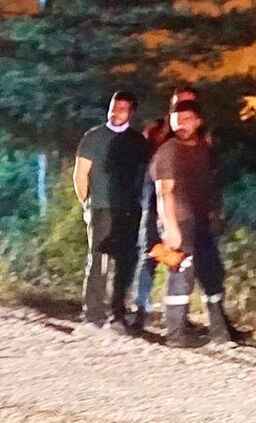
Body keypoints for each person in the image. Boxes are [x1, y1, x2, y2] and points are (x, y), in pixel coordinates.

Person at [151, 100, 233, 347]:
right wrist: (170, 227)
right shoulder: (168, 151)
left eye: (187, 119)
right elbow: (163, 192)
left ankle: (220, 333)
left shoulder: (203, 148)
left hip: (202, 222)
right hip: (180, 220)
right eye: (177, 119)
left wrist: (215, 213)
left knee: (212, 274)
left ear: (198, 121)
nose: (181, 124)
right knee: (181, 277)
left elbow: (210, 184)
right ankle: (176, 336)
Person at [72, 91, 151, 334]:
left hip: (129, 209)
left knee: (125, 263)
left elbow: (145, 175)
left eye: (122, 108)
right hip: (100, 207)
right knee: (98, 261)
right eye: (113, 107)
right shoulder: (93, 137)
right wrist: (87, 203)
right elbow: (80, 174)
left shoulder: (138, 142)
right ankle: (92, 316)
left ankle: (118, 314)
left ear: (131, 112)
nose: (116, 112)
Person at [132, 85, 200, 332]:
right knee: (150, 254)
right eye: (179, 103)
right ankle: (140, 310)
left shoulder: (199, 136)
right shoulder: (158, 129)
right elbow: (146, 153)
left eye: (189, 104)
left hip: (185, 206)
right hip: (154, 200)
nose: (183, 107)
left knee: (183, 261)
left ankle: (180, 315)